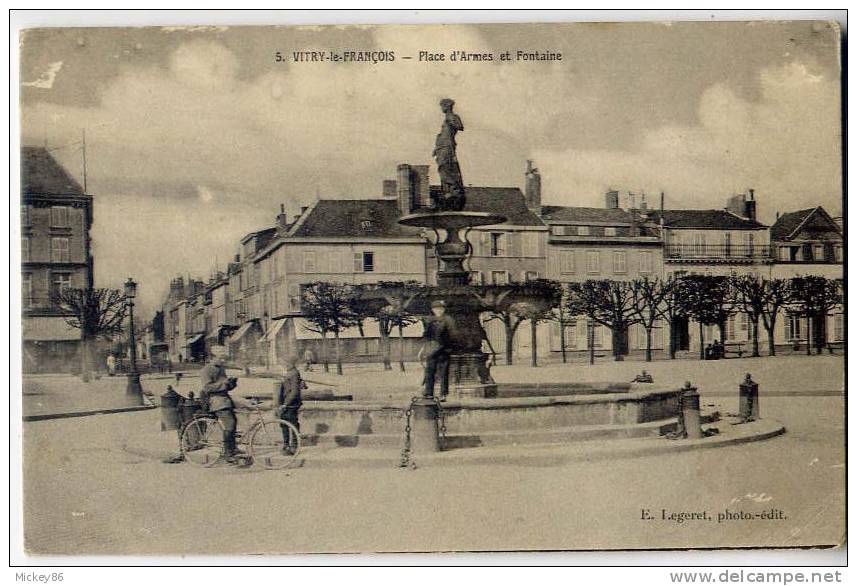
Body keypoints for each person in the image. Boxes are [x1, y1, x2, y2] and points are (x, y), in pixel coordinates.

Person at [199, 355, 240, 462]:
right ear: (211, 358)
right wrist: (224, 384)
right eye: (220, 358)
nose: (223, 360)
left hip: (225, 401)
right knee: (230, 424)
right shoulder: (206, 370)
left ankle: (233, 448)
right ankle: (227, 452)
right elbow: (207, 387)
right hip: (216, 401)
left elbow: (225, 386)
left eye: (223, 358)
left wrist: (232, 384)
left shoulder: (221, 368)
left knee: (233, 422)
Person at [419, 300, 454, 400]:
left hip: (444, 349)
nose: (439, 311)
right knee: (430, 371)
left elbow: (453, 334)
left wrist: (449, 347)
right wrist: (426, 347)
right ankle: (428, 393)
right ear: (432, 310)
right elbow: (426, 335)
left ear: (444, 309)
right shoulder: (429, 321)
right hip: (432, 350)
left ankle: (443, 394)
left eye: (441, 309)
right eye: (436, 309)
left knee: (444, 372)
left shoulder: (448, 320)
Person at [277, 356, 305, 454]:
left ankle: (294, 445)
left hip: (291, 403)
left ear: (290, 363)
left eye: (284, 362)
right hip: (285, 402)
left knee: (292, 423)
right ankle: (286, 445)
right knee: (283, 423)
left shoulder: (294, 373)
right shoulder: (289, 372)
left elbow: (294, 391)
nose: (283, 365)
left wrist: (286, 404)